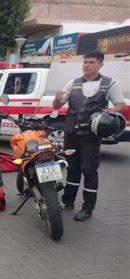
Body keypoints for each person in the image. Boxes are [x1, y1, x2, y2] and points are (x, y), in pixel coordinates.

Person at [53, 51, 126, 221]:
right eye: (85, 62)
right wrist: (57, 100)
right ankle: (68, 201)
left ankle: (87, 208)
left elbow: (120, 105)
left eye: (91, 62)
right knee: (72, 169)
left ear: (100, 64)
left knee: (89, 171)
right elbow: (57, 106)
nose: (87, 65)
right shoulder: (73, 83)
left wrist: (111, 111)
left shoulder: (109, 83)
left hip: (90, 137)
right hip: (71, 134)